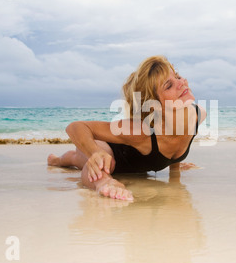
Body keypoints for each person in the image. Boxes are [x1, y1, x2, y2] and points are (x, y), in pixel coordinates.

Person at [48, 55, 206, 201]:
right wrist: (95, 153)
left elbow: (175, 136)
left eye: (177, 76)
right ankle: (62, 162)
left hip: (135, 162)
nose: (182, 82)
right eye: (169, 85)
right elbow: (75, 127)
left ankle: (68, 157)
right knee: (100, 161)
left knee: (78, 157)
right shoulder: (141, 131)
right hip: (110, 150)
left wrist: (175, 170)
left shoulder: (198, 115)